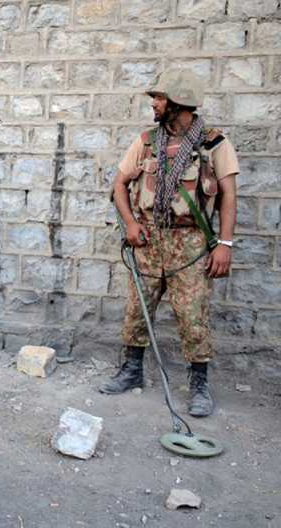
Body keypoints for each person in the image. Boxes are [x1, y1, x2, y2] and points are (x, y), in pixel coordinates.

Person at [104, 68, 239, 417]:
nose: (154, 103)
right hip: (148, 238)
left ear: (178, 103)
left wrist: (224, 243)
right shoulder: (147, 141)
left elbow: (229, 197)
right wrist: (131, 224)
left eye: (160, 98)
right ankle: (131, 371)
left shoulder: (213, 144)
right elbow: (118, 185)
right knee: (137, 309)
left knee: (192, 315)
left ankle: (199, 385)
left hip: (191, 243)